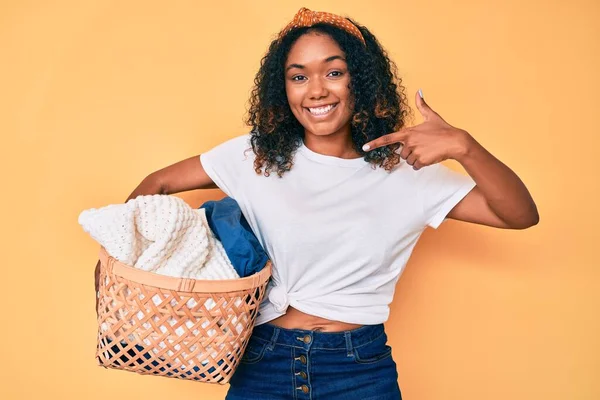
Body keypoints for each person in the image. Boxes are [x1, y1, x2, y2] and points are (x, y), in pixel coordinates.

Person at [97, 7, 539, 399]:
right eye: (298, 76)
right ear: (283, 89)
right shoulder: (256, 156)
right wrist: (123, 266)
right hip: (261, 364)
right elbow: (158, 183)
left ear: (360, 81)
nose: (316, 90)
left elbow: (519, 214)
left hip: (359, 370)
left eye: (333, 72)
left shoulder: (408, 172)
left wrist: (465, 146)